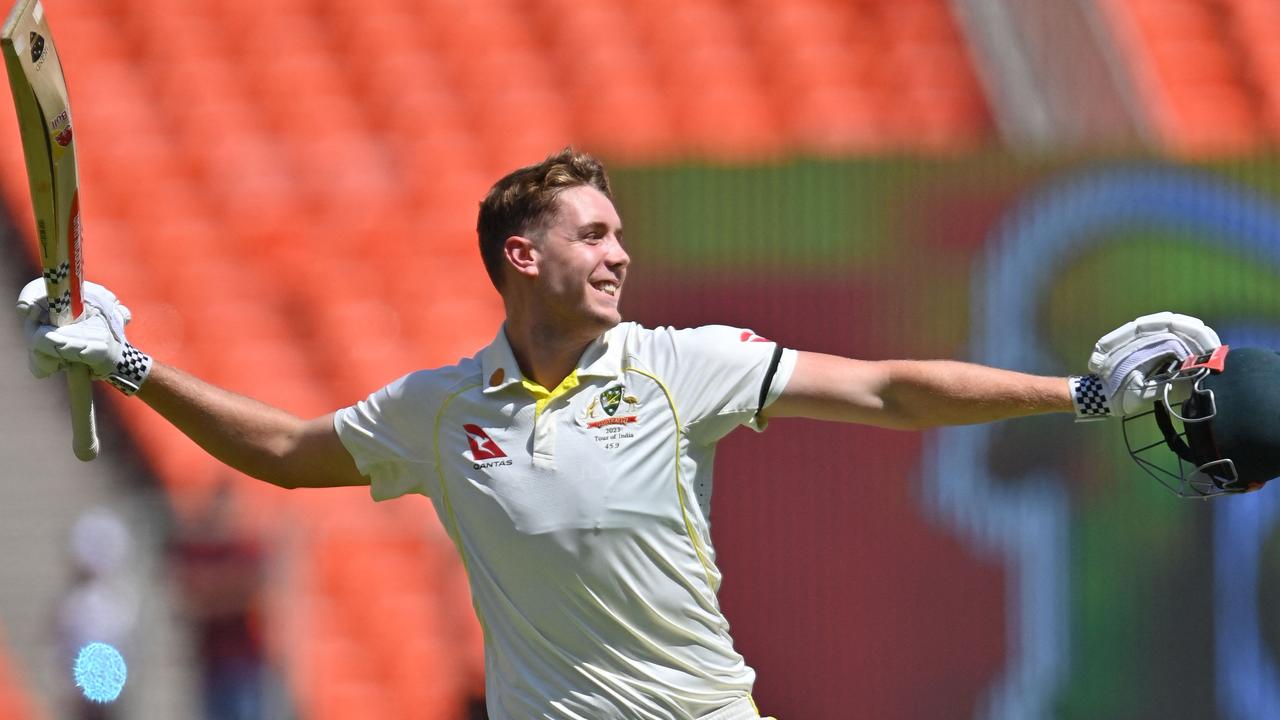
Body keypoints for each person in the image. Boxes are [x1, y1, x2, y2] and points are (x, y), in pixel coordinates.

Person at [16, 148, 1221, 720]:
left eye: (621, 233)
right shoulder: (439, 408)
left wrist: (1072, 395)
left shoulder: (674, 366)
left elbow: (889, 390)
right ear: (519, 256)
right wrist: (129, 363)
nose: (620, 253)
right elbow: (284, 454)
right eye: (592, 235)